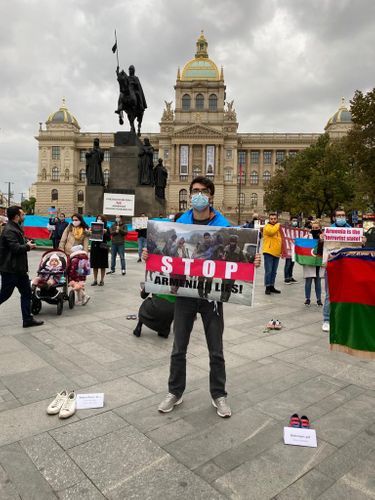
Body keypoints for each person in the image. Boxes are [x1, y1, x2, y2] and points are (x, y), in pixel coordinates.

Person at [143, 176, 261, 418]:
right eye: (194, 191)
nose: (197, 195)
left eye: (203, 191)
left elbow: (234, 258)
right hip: (186, 293)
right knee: (179, 347)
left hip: (212, 296)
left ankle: (219, 394)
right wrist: (149, 255)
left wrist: (253, 260)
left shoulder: (224, 224)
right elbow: (169, 253)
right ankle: (175, 391)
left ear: (211, 196)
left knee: (216, 349)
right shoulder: (181, 221)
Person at [0, 206, 44, 328]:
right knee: (4, 295)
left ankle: (27, 319)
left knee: (26, 293)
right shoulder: (9, 230)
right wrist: (28, 246)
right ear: (16, 216)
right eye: (22, 214)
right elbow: (15, 248)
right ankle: (27, 319)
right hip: (10, 270)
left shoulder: (15, 228)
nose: (24, 217)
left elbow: (18, 244)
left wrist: (27, 243)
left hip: (19, 269)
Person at [322, 208, 351, 332]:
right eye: (339, 215)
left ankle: (342, 318)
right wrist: (321, 240)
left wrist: (363, 242)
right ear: (334, 218)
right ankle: (327, 319)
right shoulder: (328, 231)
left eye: (343, 215)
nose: (341, 217)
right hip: (332, 266)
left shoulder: (352, 231)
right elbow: (319, 251)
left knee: (346, 293)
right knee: (330, 294)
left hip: (347, 267)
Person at [220, 234, 248, 302]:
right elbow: (220, 258)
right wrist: (222, 258)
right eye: (231, 241)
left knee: (230, 285)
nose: (232, 243)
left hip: (234, 271)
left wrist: (241, 265)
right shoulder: (225, 249)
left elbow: (245, 260)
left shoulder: (239, 251)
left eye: (234, 242)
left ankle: (227, 298)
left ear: (236, 242)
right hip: (225, 270)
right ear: (229, 241)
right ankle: (222, 297)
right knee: (224, 284)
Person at [303, 221, 324, 306]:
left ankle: (318, 299)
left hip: (318, 262)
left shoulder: (323, 237)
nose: (315, 230)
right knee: (308, 281)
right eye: (313, 228)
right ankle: (307, 299)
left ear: (320, 228)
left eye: (317, 228)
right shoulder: (307, 237)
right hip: (309, 262)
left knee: (318, 282)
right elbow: (302, 246)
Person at [263, 213, 282, 295]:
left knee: (274, 271)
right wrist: (278, 225)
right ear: (269, 219)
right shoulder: (267, 227)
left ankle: (272, 286)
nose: (273, 220)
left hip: (276, 253)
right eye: (271, 219)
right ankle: (267, 287)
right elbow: (271, 232)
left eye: (275, 219)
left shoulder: (278, 228)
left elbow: (281, 240)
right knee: (268, 271)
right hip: (268, 252)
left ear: (277, 219)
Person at [90, 215, 111, 286]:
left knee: (103, 264)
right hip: (95, 246)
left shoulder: (107, 228)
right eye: (98, 219)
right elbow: (90, 236)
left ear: (104, 221)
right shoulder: (93, 227)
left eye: (101, 219)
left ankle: (102, 280)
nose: (99, 220)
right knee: (94, 264)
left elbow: (109, 239)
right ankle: (95, 280)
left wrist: (105, 233)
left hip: (103, 247)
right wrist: (89, 231)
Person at [284, 216, 299, 284]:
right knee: (288, 263)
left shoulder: (298, 229)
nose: (295, 222)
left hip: (294, 248)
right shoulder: (287, 229)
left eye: (296, 220)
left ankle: (290, 276)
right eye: (293, 220)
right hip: (288, 249)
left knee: (292, 263)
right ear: (290, 221)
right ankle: (286, 278)